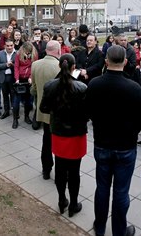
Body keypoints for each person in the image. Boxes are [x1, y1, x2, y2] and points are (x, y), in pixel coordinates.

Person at [85, 45, 141, 236]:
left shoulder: (95, 84)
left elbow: (89, 112)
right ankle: (119, 231)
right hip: (125, 146)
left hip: (103, 143)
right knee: (121, 191)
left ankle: (100, 227)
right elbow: (140, 119)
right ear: (125, 62)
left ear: (106, 61)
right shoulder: (134, 88)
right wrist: (130, 133)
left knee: (102, 188)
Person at [40, 53, 88, 218]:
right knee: (75, 171)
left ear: (59, 66)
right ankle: (73, 204)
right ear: (74, 67)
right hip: (76, 135)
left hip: (59, 133)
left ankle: (62, 200)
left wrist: (57, 111)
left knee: (60, 169)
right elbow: (87, 113)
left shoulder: (50, 86)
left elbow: (43, 109)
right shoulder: (82, 88)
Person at [30, 40, 62, 180]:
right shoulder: (60, 66)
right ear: (58, 51)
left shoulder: (35, 64)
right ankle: (61, 172)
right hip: (58, 113)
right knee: (59, 144)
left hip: (43, 111)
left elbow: (33, 89)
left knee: (46, 142)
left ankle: (46, 170)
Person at [12, 41, 37, 129]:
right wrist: (17, 78)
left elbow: (34, 66)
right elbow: (16, 67)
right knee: (16, 101)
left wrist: (31, 77)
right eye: (26, 51)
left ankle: (26, 116)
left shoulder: (34, 55)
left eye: (29, 52)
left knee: (28, 101)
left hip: (29, 80)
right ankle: (15, 119)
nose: (27, 53)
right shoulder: (18, 54)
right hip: (20, 79)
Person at [0, 39, 17, 119]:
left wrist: (12, 65)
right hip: (3, 77)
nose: (9, 47)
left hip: (13, 77)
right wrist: (6, 65)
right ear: (4, 46)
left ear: (13, 45)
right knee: (5, 95)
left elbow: (19, 66)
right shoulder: (0, 53)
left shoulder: (17, 53)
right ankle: (6, 111)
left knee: (14, 95)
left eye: (11, 45)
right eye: (8, 46)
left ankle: (15, 111)